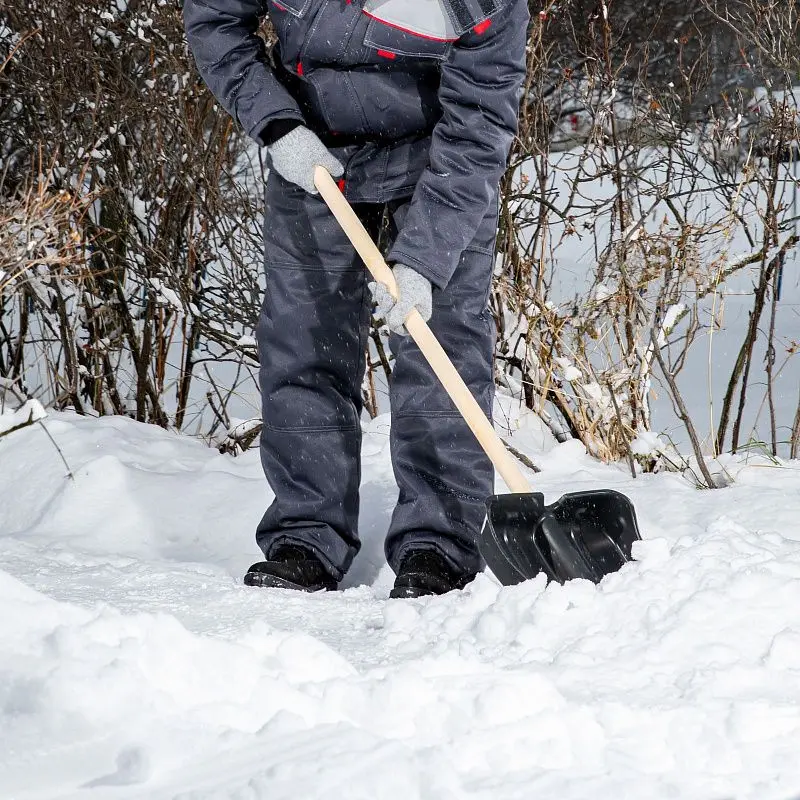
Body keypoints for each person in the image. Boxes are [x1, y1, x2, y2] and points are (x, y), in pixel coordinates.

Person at [183, 0, 529, 598]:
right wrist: (276, 124)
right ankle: (307, 533)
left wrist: (424, 259)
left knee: (443, 345)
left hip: (437, 160)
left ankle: (439, 545)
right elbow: (214, 19)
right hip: (312, 147)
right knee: (304, 343)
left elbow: (479, 122)